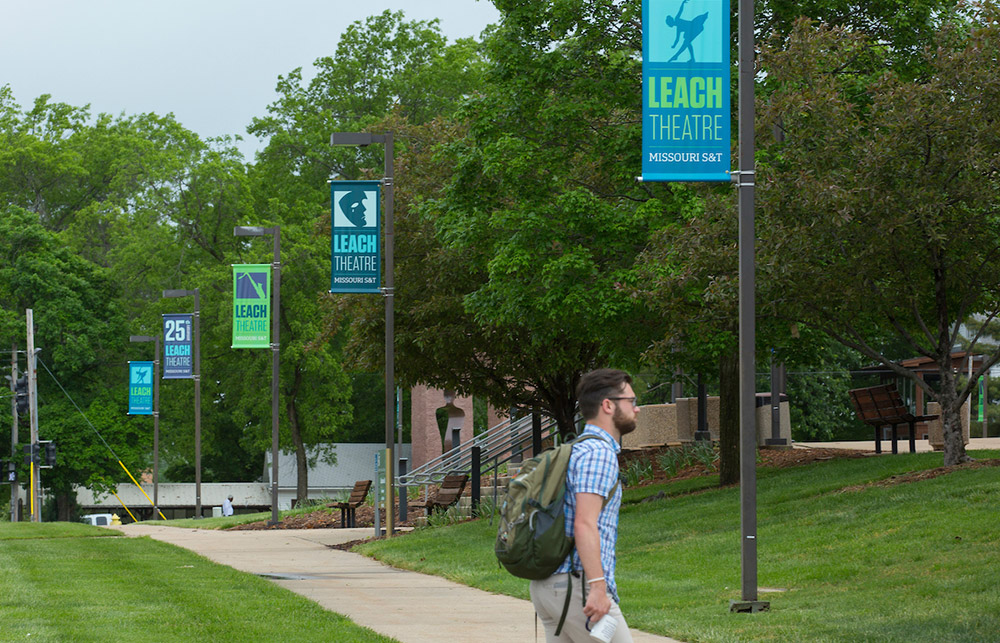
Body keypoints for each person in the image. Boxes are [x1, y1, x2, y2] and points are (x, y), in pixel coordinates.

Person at [529, 368, 638, 642]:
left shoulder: (577, 449)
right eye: (632, 402)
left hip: (551, 587)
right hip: (575, 587)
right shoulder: (599, 454)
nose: (637, 409)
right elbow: (585, 523)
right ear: (608, 405)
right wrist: (598, 588)